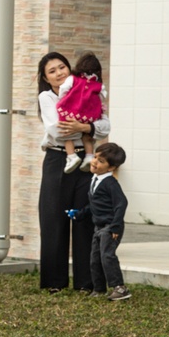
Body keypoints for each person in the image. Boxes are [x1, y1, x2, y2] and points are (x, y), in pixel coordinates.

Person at [37, 51, 112, 293]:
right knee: (53, 220)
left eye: (62, 67)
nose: (59, 73)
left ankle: (86, 283)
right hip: (57, 159)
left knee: (85, 219)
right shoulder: (46, 97)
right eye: (52, 71)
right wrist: (87, 128)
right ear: (46, 78)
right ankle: (54, 282)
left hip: (87, 160)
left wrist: (84, 126)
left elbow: (105, 126)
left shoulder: (87, 89)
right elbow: (56, 131)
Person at [66, 142, 131, 301]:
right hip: (98, 226)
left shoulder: (111, 184)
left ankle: (120, 288)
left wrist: (115, 227)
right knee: (95, 258)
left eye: (101, 161)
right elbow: (93, 205)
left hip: (110, 227)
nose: (94, 162)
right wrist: (79, 214)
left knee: (107, 256)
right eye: (95, 157)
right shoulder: (95, 179)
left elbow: (122, 204)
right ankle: (99, 288)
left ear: (111, 168)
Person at [56, 51, 107, 174]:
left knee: (67, 132)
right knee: (87, 134)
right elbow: (103, 96)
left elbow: (63, 89)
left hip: (72, 111)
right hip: (89, 115)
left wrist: (63, 98)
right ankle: (89, 156)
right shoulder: (98, 84)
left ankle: (72, 156)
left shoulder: (73, 79)